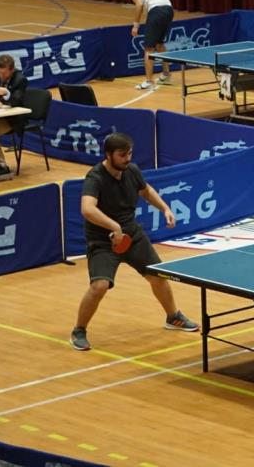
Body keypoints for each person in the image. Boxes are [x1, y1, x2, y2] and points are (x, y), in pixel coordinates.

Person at [70, 132, 198, 351]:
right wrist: (114, 227)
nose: (127, 158)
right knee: (99, 286)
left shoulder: (132, 171)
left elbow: (146, 191)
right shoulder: (95, 177)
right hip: (103, 241)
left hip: (132, 235)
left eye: (129, 153)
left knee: (158, 276)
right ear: (108, 154)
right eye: (122, 155)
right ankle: (79, 330)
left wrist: (165, 208)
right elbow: (87, 209)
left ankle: (173, 316)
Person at [118, 0, 174, 91]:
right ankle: (166, 75)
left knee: (149, 48)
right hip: (168, 9)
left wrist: (135, 25)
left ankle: (149, 81)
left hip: (157, 10)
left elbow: (139, 4)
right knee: (159, 44)